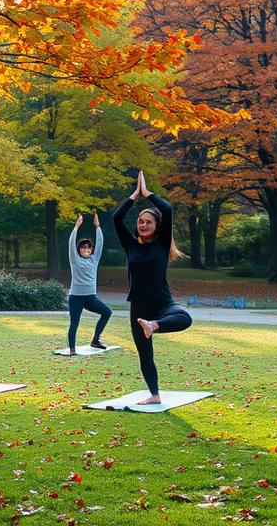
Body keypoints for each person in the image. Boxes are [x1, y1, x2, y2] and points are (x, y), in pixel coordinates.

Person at [112, 170, 192, 405]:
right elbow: (117, 219)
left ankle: (154, 325)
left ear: (157, 226)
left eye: (148, 221)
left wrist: (147, 194)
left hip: (162, 303)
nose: (143, 224)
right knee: (145, 354)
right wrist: (133, 197)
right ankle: (154, 395)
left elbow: (167, 210)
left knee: (184, 318)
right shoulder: (131, 245)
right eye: (140, 221)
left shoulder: (161, 243)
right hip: (138, 308)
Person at [65, 212, 113, 354]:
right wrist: (76, 227)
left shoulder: (94, 259)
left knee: (107, 312)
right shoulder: (75, 260)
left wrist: (97, 226)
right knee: (74, 323)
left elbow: (100, 243)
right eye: (83, 247)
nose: (86, 249)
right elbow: (70, 245)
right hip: (76, 298)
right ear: (79, 250)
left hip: (91, 297)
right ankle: (72, 349)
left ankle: (95, 340)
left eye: (88, 248)